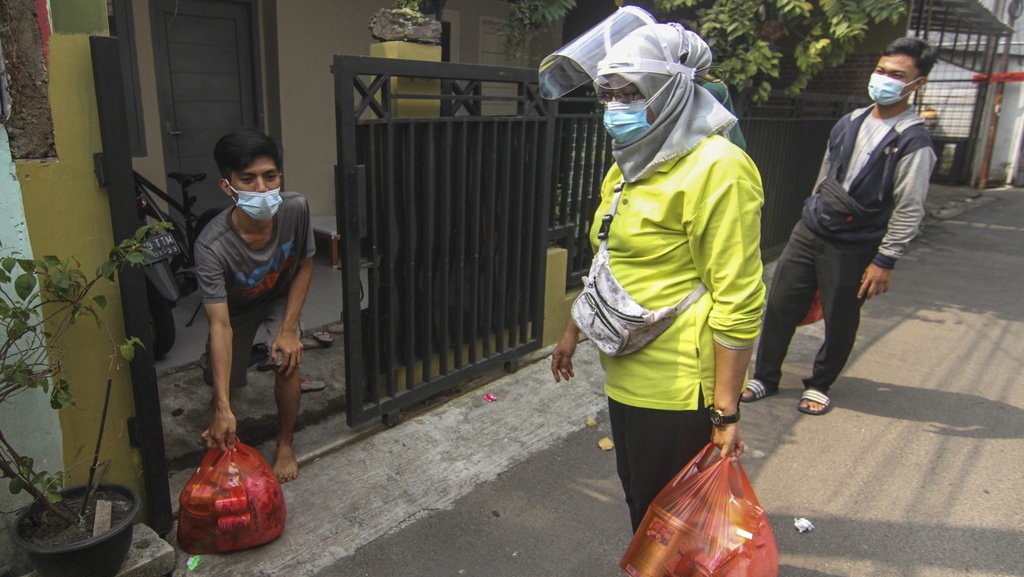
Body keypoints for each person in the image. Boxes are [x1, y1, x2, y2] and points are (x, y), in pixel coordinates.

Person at [543, 21, 766, 532]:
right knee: (642, 504)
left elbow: (741, 298)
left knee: (667, 521)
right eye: (608, 94)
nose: (616, 106)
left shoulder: (719, 168)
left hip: (677, 387)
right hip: (626, 369)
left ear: (674, 92)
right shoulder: (633, 162)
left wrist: (726, 412)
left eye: (631, 93)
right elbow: (609, 256)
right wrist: (573, 330)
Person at [742, 37, 938, 415]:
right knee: (780, 304)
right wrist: (811, 211)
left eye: (897, 75)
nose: (884, 80)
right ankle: (766, 376)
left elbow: (910, 208)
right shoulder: (850, 122)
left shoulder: (914, 142)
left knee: (841, 316)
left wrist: (885, 260)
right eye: (881, 71)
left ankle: (820, 383)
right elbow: (825, 177)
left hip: (856, 243)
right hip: (811, 229)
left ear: (917, 84)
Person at [195, 129, 315, 483]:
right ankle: (223, 422)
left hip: (279, 296)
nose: (262, 188)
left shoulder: (296, 208)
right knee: (223, 382)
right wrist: (221, 406)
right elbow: (219, 324)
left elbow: (305, 263)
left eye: (271, 176)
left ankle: (285, 443)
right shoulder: (212, 246)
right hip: (236, 309)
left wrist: (289, 329)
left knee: (287, 359)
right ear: (227, 187)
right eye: (248, 179)